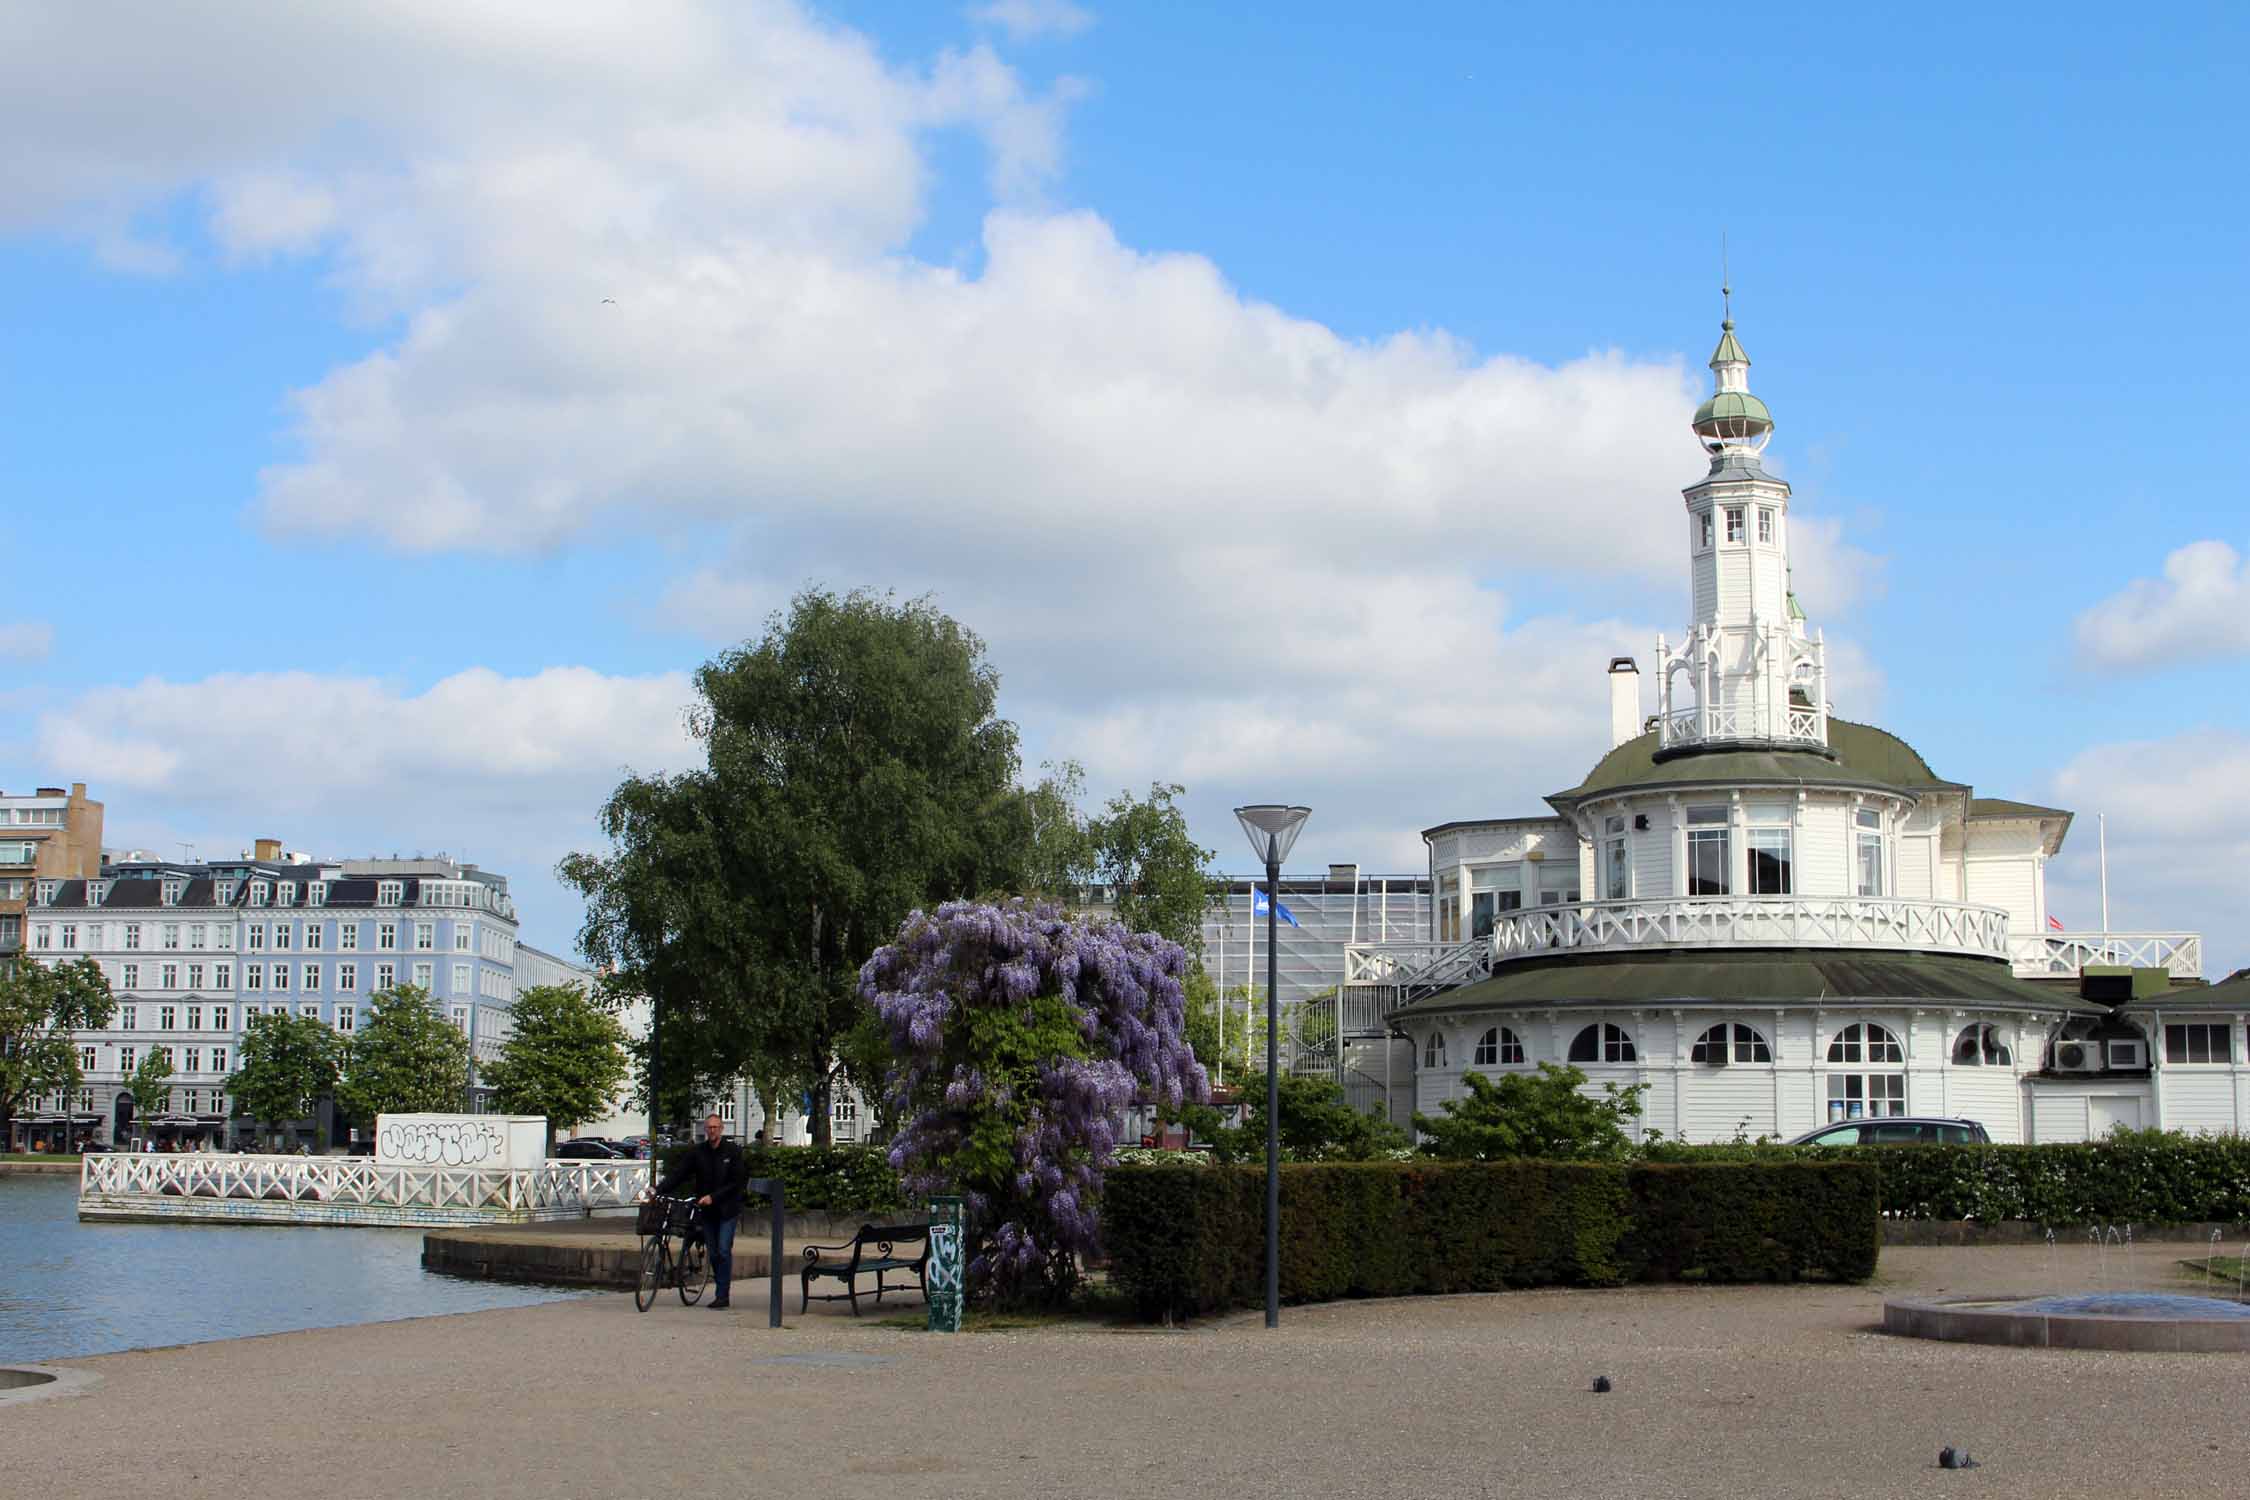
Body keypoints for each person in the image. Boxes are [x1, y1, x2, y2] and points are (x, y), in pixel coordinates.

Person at [652, 1113, 748, 1310]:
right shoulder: (699, 1152)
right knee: (713, 1252)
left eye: (715, 1127)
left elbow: (737, 1182)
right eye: (709, 1128)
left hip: (727, 1209)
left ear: (721, 1129)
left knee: (723, 1249)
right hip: (707, 1211)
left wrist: (714, 1197)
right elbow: (680, 1173)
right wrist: (658, 1190)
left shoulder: (733, 1151)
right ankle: (720, 1291)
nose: (712, 1131)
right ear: (706, 1130)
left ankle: (723, 1295)